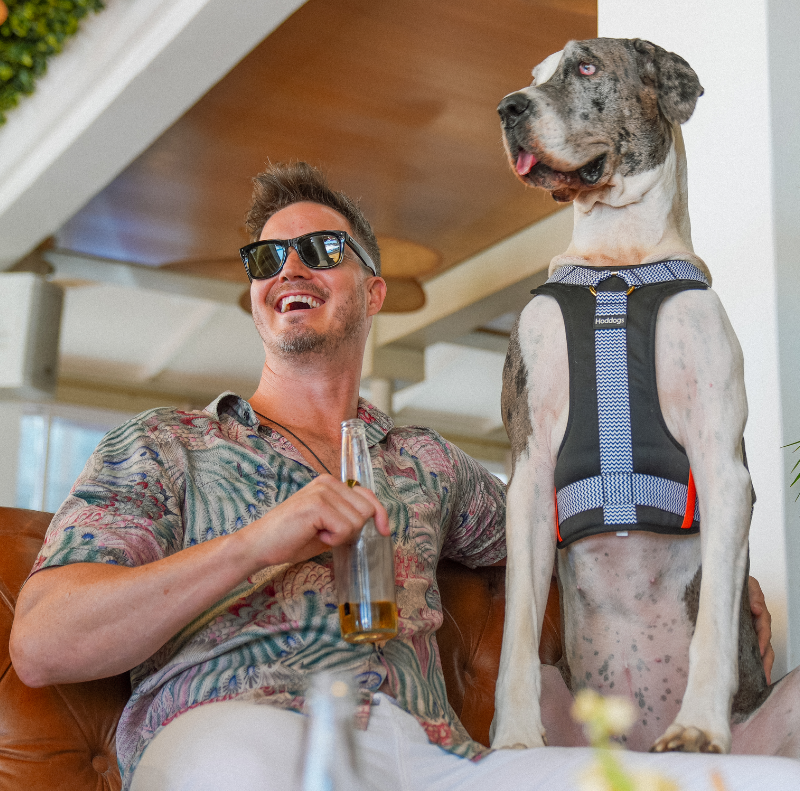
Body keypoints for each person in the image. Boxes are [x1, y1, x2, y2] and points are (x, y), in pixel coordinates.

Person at [10, 163, 789, 791]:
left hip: (433, 756)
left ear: (373, 292)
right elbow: (44, 642)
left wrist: (710, 571)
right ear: (253, 293)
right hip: (240, 729)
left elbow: (554, 529)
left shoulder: (426, 461)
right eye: (266, 257)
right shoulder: (166, 446)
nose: (289, 268)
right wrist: (256, 545)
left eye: (320, 251)